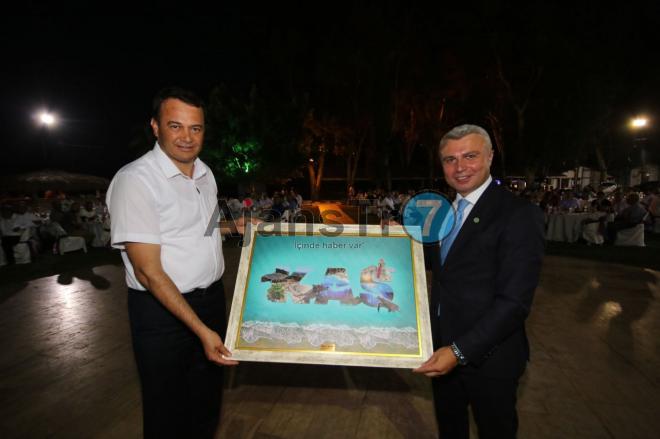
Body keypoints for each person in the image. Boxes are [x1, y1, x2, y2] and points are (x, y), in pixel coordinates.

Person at [106, 87, 250, 438]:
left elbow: (197, 225)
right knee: (168, 412)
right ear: (155, 127)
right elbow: (148, 272)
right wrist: (201, 330)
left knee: (206, 404)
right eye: (176, 126)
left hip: (211, 301)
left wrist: (236, 225)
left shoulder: (205, 173)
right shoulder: (135, 181)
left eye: (195, 128)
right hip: (162, 314)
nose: (187, 137)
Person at [413, 124, 544, 438]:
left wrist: (458, 352)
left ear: (490, 157)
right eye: (450, 159)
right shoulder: (445, 212)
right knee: (450, 430)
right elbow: (443, 267)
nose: (459, 167)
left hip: (489, 358)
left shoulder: (518, 214)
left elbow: (514, 303)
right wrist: (395, 244)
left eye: (469, 156)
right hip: (442, 351)